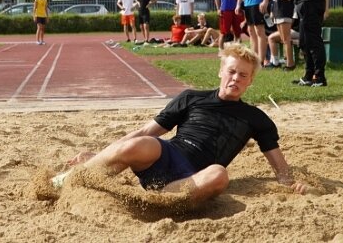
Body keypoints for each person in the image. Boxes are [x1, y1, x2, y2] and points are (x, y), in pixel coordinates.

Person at [51, 44, 308, 204]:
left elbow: (279, 165)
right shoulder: (191, 98)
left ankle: (158, 200)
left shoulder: (257, 118)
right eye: (231, 71)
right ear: (221, 72)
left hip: (194, 177)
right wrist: (101, 153)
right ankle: (71, 179)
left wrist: (290, 183)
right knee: (142, 143)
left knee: (220, 174)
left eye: (243, 75)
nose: (235, 79)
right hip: (167, 156)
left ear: (250, 81)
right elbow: (145, 131)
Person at [267, 0, 295, 70]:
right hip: (278, 13)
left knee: (286, 39)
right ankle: (282, 61)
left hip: (285, 13)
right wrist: (272, 12)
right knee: (283, 39)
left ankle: (290, 64)